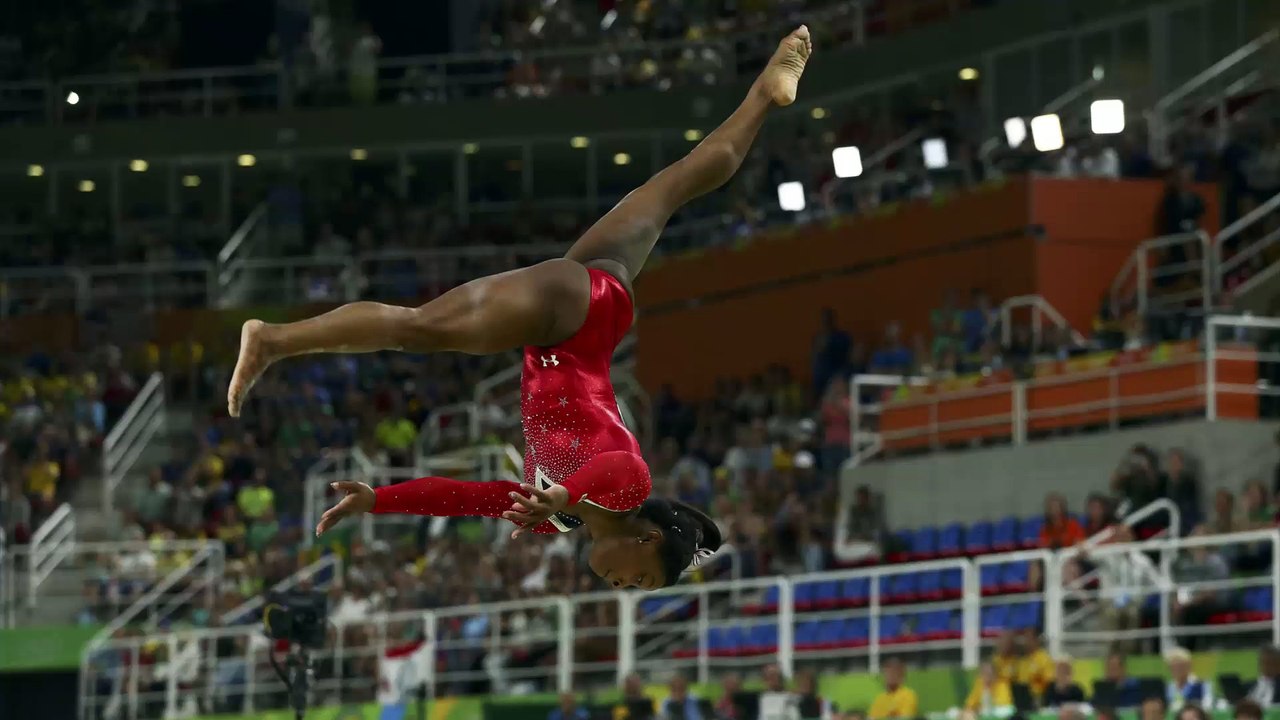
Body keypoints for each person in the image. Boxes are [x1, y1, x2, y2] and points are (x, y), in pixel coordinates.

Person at [225, 28, 814, 592]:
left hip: (596, 312)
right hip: (568, 323)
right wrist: (562, 494)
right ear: (647, 538)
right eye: (640, 577)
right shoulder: (626, 492)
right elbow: (613, 468)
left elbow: (469, 499)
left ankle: (766, 92)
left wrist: (381, 499)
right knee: (419, 328)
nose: (622, 585)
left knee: (674, 187)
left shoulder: (557, 518)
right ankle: (273, 339)